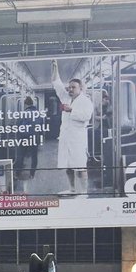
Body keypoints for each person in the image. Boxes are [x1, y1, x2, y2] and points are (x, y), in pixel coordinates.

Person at [51, 61, 94, 194]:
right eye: (69, 87)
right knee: (68, 166)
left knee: (81, 167)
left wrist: (71, 111)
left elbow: (87, 116)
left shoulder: (86, 101)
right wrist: (55, 67)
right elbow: (56, 83)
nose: (70, 89)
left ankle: (84, 192)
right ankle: (72, 189)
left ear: (80, 88)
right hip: (65, 138)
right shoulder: (65, 98)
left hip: (78, 139)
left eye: (73, 87)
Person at [14, 97, 41, 182]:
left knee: (20, 155)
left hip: (23, 137)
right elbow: (41, 127)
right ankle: (32, 174)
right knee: (34, 156)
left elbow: (18, 125)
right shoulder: (38, 113)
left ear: (25, 104)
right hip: (34, 137)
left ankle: (17, 174)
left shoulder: (24, 113)